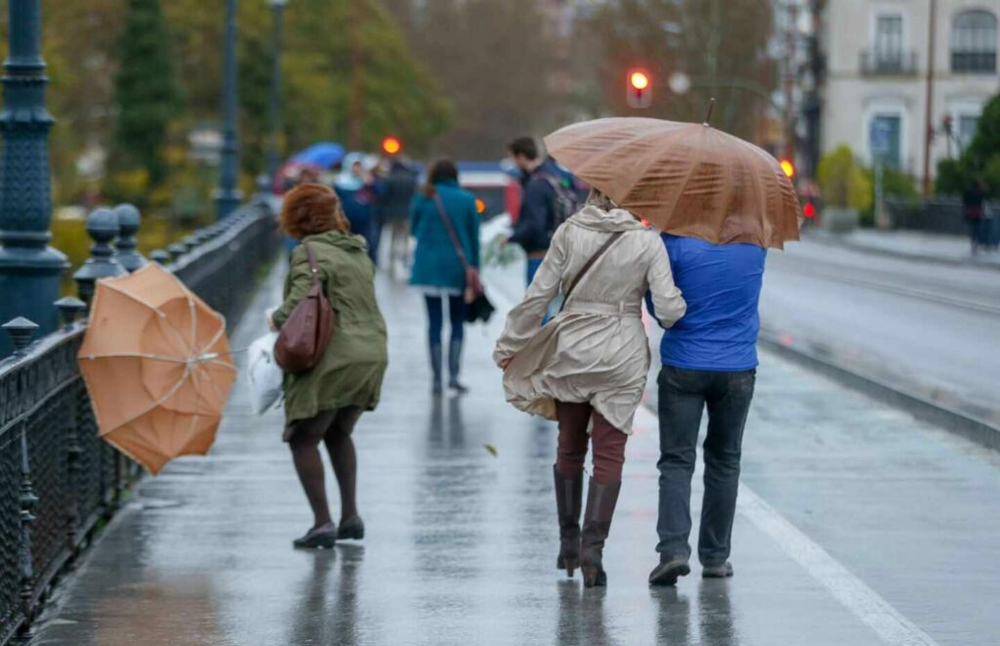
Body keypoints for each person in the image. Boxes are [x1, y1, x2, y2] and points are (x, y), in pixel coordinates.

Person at [494, 190, 686, 588]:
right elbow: (668, 311)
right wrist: (679, 307)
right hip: (622, 353)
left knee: (569, 445)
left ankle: (568, 540)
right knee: (609, 452)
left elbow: (538, 295)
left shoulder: (570, 231)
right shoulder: (647, 240)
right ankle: (592, 552)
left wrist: (510, 346)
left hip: (574, 347)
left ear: (595, 193)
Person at [270, 183, 389, 549]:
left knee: (303, 437)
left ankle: (322, 523)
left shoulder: (309, 252)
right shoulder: (356, 251)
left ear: (297, 217)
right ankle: (350, 516)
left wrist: (275, 319)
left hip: (333, 358)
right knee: (338, 432)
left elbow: (296, 306)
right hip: (371, 353)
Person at [646, 232, 767, 586]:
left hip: (684, 364)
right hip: (738, 368)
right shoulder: (755, 246)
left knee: (677, 459)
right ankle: (715, 558)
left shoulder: (673, 244)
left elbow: (659, 307)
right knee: (725, 459)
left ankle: (673, 551)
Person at [410, 159, 481, 395]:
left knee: (434, 323)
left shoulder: (424, 197)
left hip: (427, 268)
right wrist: (475, 270)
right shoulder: (466, 199)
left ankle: (436, 379)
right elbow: (473, 239)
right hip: (457, 270)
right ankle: (454, 375)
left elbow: (413, 229)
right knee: (457, 322)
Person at [505, 137, 565, 287]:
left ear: (521, 157)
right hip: (559, 249)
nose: (514, 163)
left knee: (537, 306)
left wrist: (513, 237)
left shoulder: (534, 186)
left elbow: (534, 223)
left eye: (513, 158)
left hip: (539, 253)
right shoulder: (553, 176)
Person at [335, 156, 383, 264]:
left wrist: (371, 184)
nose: (356, 169)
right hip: (346, 221)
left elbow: (380, 195)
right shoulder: (340, 182)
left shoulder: (367, 181)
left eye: (358, 166)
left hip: (365, 221)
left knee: (368, 244)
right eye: (354, 166)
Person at [381, 157, 419, 275]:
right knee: (405, 239)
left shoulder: (390, 179)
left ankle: (391, 262)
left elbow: (385, 197)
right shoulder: (411, 179)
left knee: (393, 238)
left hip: (393, 214)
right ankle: (405, 260)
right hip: (407, 213)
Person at [963, 179, 988, 254]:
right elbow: (984, 199)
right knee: (977, 227)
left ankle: (973, 241)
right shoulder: (980, 192)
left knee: (972, 227)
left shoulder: (968, 191)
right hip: (978, 212)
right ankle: (976, 241)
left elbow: (964, 200)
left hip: (970, 211)